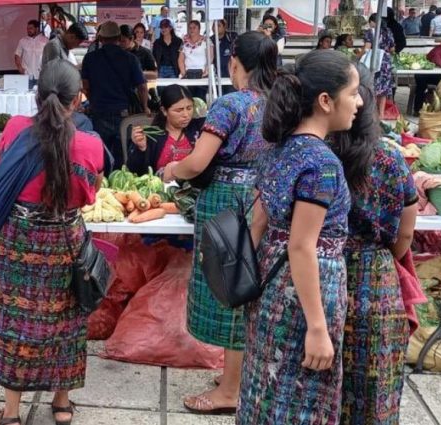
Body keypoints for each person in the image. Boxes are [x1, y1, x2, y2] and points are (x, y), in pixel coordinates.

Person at [0, 60, 104, 425]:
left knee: (15, 321)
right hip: (65, 241)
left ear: (36, 95)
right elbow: (89, 193)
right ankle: (62, 405)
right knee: (66, 319)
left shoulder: (17, 128)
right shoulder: (89, 146)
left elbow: (2, 167)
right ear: (77, 100)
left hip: (18, 239)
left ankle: (12, 414)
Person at [160, 31, 279, 415]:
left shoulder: (230, 105)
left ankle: (230, 391)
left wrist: (171, 170)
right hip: (264, 201)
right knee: (248, 287)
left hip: (228, 203)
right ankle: (237, 374)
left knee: (229, 289)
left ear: (233, 63)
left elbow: (197, 162)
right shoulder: (279, 103)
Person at [240, 49, 361, 424]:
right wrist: (318, 327)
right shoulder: (322, 164)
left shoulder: (279, 149)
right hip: (305, 295)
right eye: (353, 92)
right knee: (302, 399)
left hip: (271, 286)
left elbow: (257, 222)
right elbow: (302, 245)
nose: (358, 103)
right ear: (325, 101)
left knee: (265, 391)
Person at [332, 62, 418, 425]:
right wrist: (382, 255)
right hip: (377, 277)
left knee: (325, 379)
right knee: (375, 381)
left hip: (325, 270)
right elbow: (406, 234)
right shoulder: (390, 157)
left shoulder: (319, 152)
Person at [82, 21, 150, 173]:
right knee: (123, 156)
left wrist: (92, 100)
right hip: (123, 115)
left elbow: (85, 85)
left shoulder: (90, 58)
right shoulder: (130, 59)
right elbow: (142, 87)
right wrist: (145, 107)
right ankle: (119, 186)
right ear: (119, 37)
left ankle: (102, 186)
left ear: (101, 38)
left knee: (101, 154)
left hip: (99, 113)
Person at [128, 84, 199, 174]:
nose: (186, 114)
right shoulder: (151, 136)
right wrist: (141, 149)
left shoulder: (198, 130)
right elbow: (134, 173)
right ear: (164, 111)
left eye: (189, 108)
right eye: (179, 110)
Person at [413, 34, 441, 115]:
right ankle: (417, 110)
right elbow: (437, 60)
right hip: (424, 74)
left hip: (438, 75)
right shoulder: (437, 50)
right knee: (421, 87)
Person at [365, 13, 396, 115]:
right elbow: (392, 49)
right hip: (386, 62)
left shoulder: (371, 32)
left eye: (370, 22)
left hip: (375, 61)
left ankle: (372, 113)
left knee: (372, 87)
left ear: (373, 22)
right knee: (384, 89)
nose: (369, 25)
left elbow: (366, 48)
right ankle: (381, 114)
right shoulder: (389, 31)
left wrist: (357, 57)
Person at [178, 20, 211, 99]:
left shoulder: (206, 41)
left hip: (202, 74)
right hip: (188, 74)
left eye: (194, 28)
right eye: (190, 28)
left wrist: (206, 71)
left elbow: (210, 57)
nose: (192, 30)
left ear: (199, 29)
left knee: (200, 98)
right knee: (189, 98)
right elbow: (180, 59)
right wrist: (183, 73)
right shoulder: (184, 42)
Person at [211, 20, 238, 95]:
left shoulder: (232, 38)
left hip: (230, 75)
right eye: (214, 25)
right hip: (216, 76)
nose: (215, 28)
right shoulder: (210, 40)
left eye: (218, 25)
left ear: (224, 27)